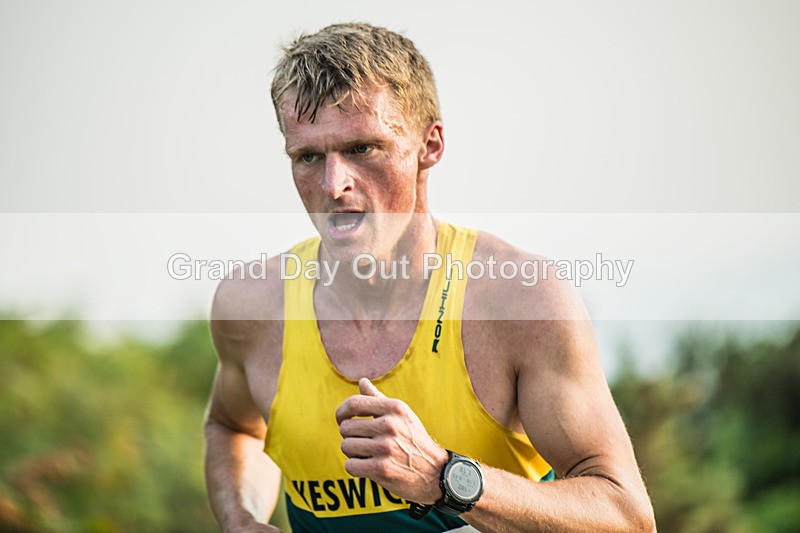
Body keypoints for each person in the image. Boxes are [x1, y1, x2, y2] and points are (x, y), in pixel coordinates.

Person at [204, 22, 656, 532]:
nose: (334, 185)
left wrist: (444, 476)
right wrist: (239, 517)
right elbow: (234, 427)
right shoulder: (253, 307)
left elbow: (626, 517)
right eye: (308, 157)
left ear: (430, 145)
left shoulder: (521, 301)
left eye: (362, 148)